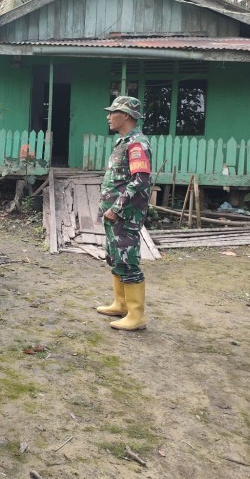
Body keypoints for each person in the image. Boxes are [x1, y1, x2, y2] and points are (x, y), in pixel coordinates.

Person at [96, 96, 151, 331]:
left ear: (126, 115)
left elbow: (140, 180)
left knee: (128, 262)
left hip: (125, 214)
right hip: (113, 213)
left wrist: (117, 208)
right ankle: (120, 304)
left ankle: (136, 316)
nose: (108, 117)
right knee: (116, 257)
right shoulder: (123, 141)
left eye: (113, 112)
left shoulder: (137, 144)